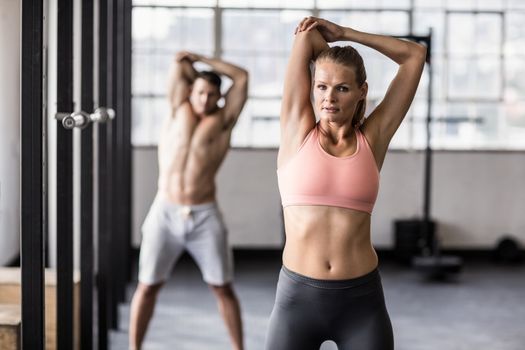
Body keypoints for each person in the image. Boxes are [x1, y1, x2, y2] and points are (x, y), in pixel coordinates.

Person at [266, 17, 426, 350]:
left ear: (361, 92)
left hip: (361, 303)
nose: (329, 98)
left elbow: (414, 56)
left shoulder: (373, 138)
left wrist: (346, 34)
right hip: (297, 302)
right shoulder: (297, 130)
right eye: (322, 86)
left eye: (342, 88)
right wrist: (331, 54)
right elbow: (307, 36)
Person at [129, 51, 249, 350]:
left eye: (211, 95)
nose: (205, 100)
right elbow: (178, 64)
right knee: (147, 286)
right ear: (190, 91)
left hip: (204, 215)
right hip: (165, 211)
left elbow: (242, 77)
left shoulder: (223, 121)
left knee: (223, 288)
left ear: (219, 98)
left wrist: (203, 58)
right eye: (200, 92)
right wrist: (190, 62)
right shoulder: (176, 109)